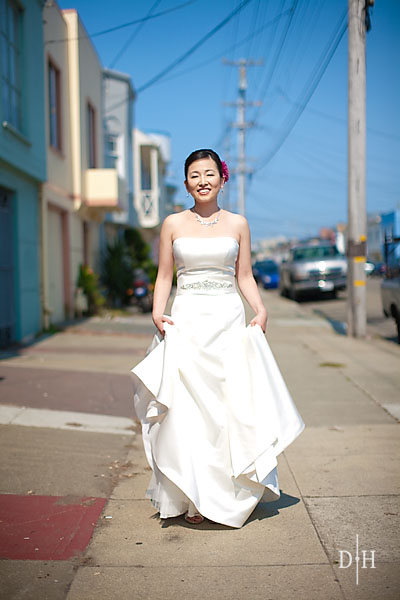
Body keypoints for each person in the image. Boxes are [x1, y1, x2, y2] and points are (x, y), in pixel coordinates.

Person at [131, 149, 305, 528]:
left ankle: (230, 491)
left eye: (210, 173)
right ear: (186, 183)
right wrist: (157, 311)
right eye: (195, 175)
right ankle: (194, 496)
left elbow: (244, 275)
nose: (203, 180)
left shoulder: (238, 223)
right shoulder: (172, 224)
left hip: (226, 319)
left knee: (229, 406)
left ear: (223, 179)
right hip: (188, 319)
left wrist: (260, 309)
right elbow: (164, 275)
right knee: (190, 411)